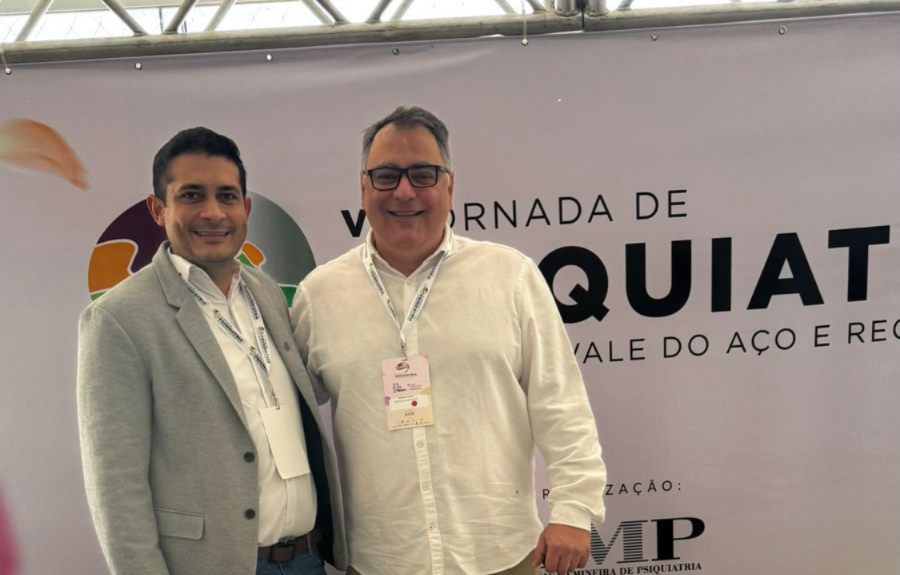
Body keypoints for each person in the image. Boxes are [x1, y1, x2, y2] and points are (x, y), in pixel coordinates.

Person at [291, 106, 606, 575]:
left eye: (423, 174)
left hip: (498, 553)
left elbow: (561, 403)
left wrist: (575, 510)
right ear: (363, 188)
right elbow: (285, 417)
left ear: (450, 186)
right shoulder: (319, 296)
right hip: (382, 559)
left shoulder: (510, 277)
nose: (404, 191)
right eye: (386, 176)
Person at [77, 127, 345, 575]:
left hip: (306, 559)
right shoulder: (119, 319)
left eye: (227, 196)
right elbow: (115, 486)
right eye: (192, 195)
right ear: (158, 209)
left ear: (246, 208)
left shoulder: (266, 291)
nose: (213, 213)